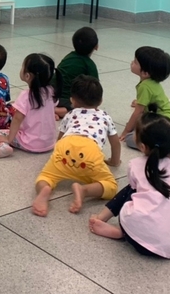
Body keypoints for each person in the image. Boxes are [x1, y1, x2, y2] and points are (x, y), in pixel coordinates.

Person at [89, 105, 170, 263]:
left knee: (130, 190)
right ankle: (125, 231)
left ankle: (114, 227)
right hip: (168, 246)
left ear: (142, 147)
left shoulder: (136, 164)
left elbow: (134, 193)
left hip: (135, 234)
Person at [32, 75, 119, 217]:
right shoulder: (105, 116)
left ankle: (44, 191)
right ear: (101, 100)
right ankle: (84, 190)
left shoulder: (70, 114)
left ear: (72, 100)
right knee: (111, 186)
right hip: (90, 151)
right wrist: (114, 161)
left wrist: (56, 157)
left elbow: (59, 139)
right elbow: (115, 142)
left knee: (45, 176)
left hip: (65, 146)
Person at [0, 53, 58, 159]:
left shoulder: (26, 96)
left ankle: (4, 147)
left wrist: (9, 138)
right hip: (49, 143)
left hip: (30, 143)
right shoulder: (51, 91)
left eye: (22, 67)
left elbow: (17, 119)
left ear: (27, 76)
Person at [120, 46, 170, 149]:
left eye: (135, 62)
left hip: (160, 124)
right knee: (136, 126)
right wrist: (139, 102)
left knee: (129, 138)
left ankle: (157, 146)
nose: (132, 62)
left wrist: (126, 131)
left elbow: (138, 112)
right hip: (167, 123)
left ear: (145, 73)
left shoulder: (145, 86)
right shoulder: (151, 82)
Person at [54, 27, 100, 118]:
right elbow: (95, 88)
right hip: (66, 99)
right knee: (82, 107)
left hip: (51, 95)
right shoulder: (90, 65)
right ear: (96, 46)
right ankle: (57, 111)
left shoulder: (69, 56)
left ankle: (49, 108)